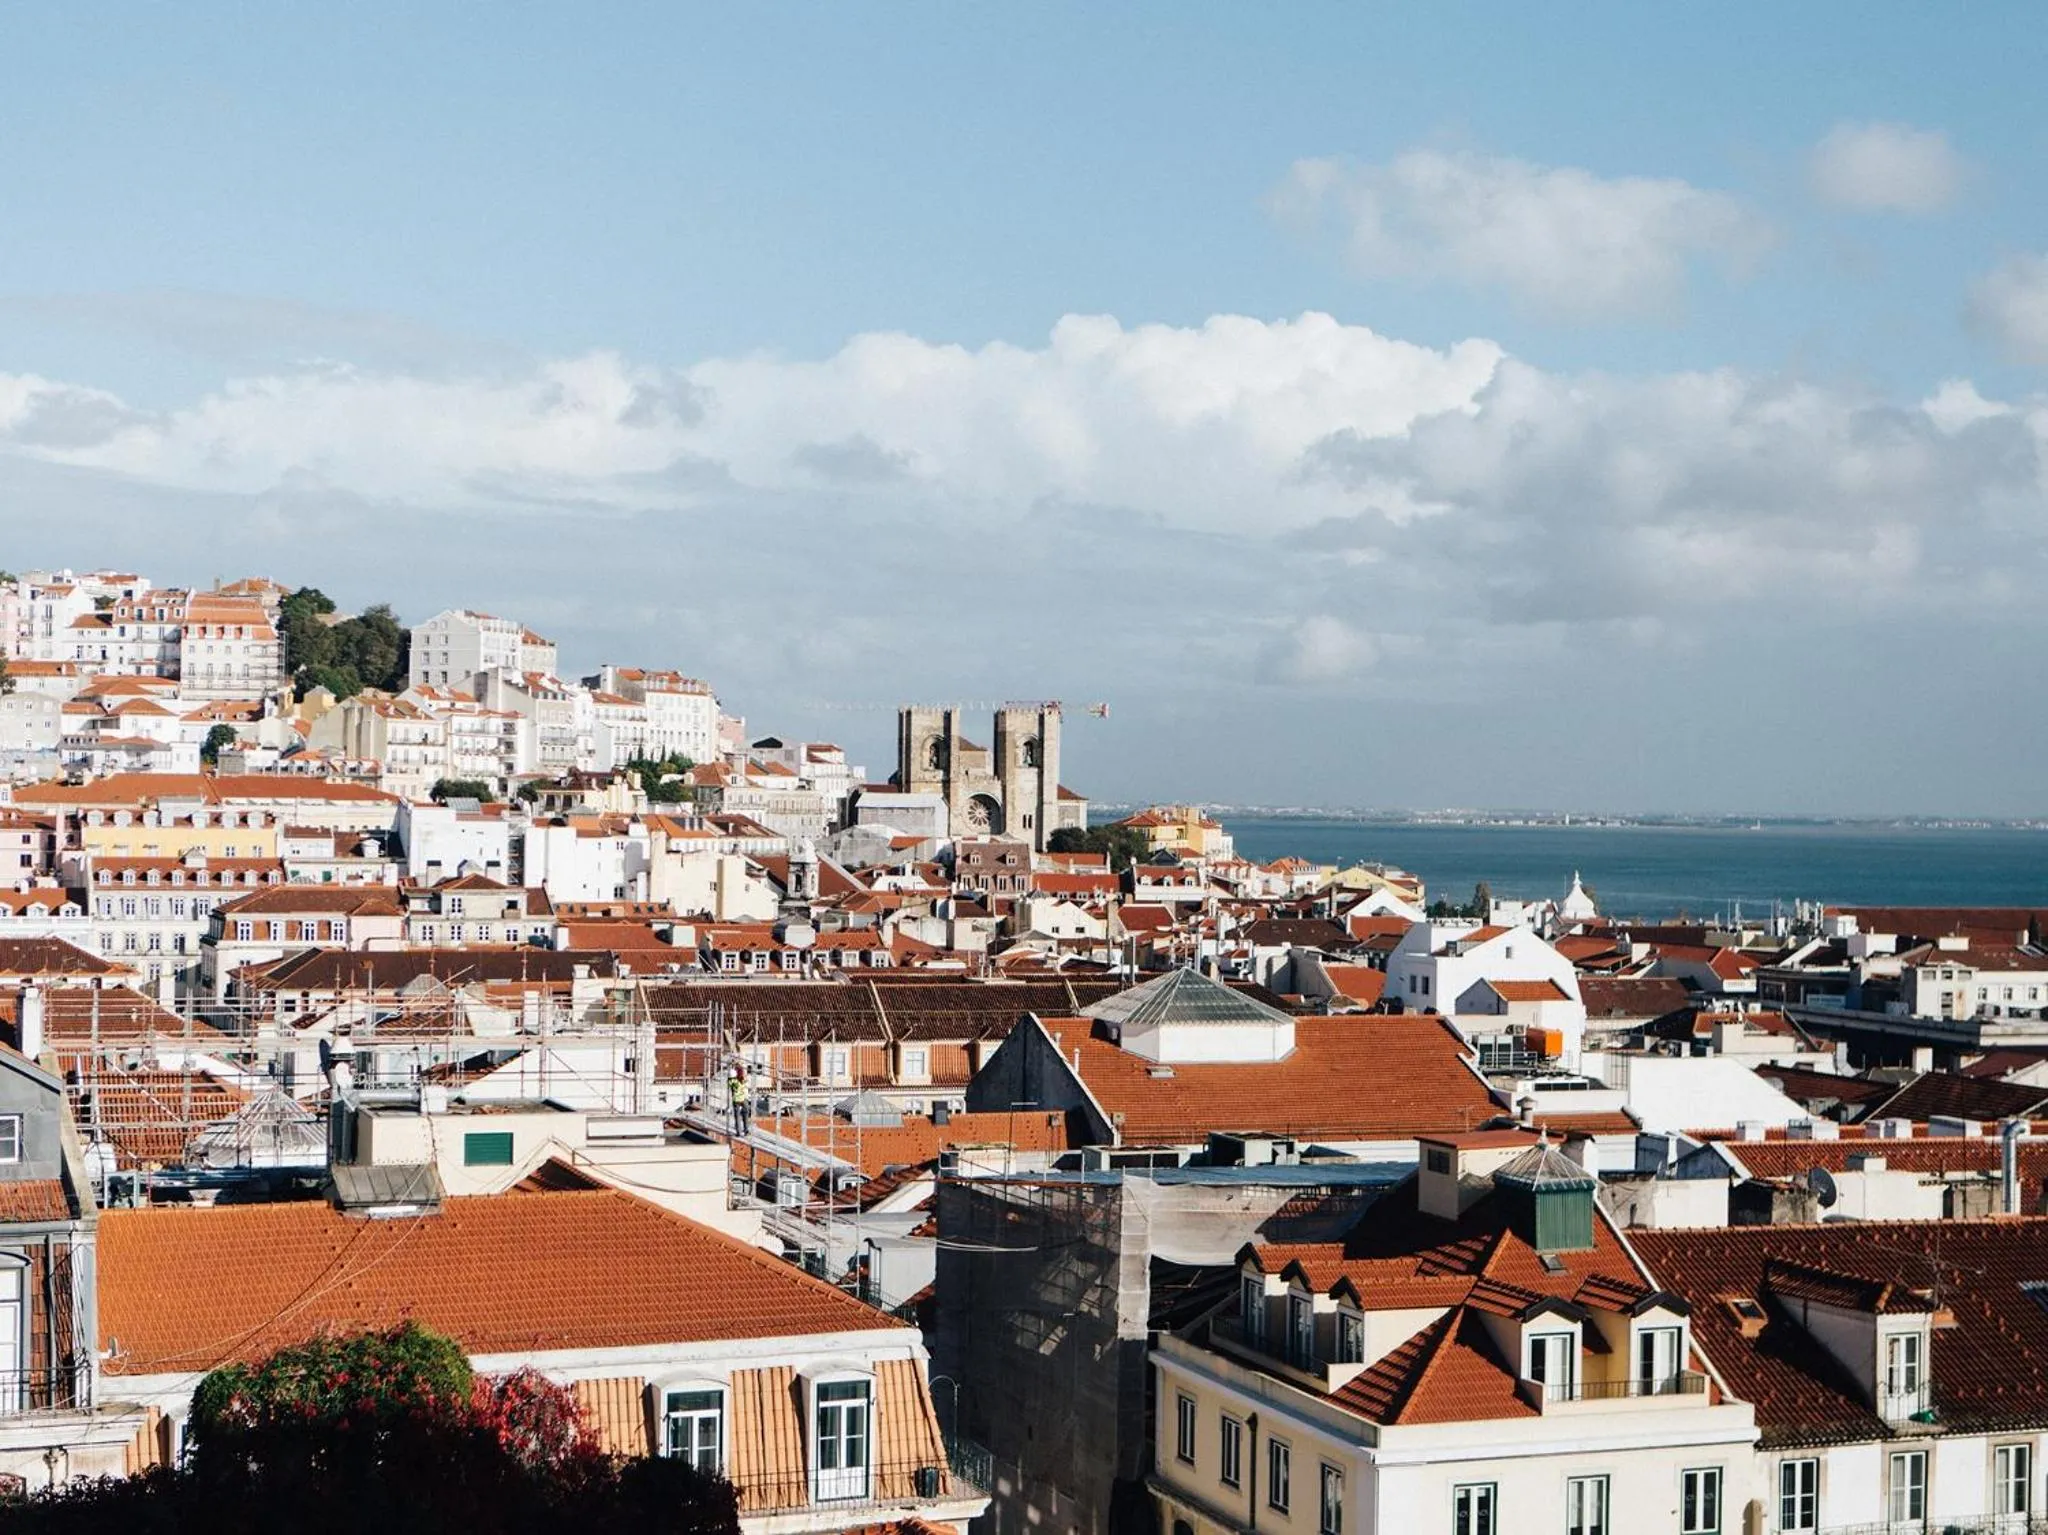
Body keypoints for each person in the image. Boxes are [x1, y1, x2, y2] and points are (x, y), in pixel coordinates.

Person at [727, 1064, 752, 1137]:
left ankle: (738, 1132)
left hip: (736, 1099)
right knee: (746, 1115)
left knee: (737, 1116)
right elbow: (746, 1084)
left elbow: (732, 1086)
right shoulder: (742, 1079)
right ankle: (746, 1130)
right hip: (744, 1099)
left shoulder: (731, 1081)